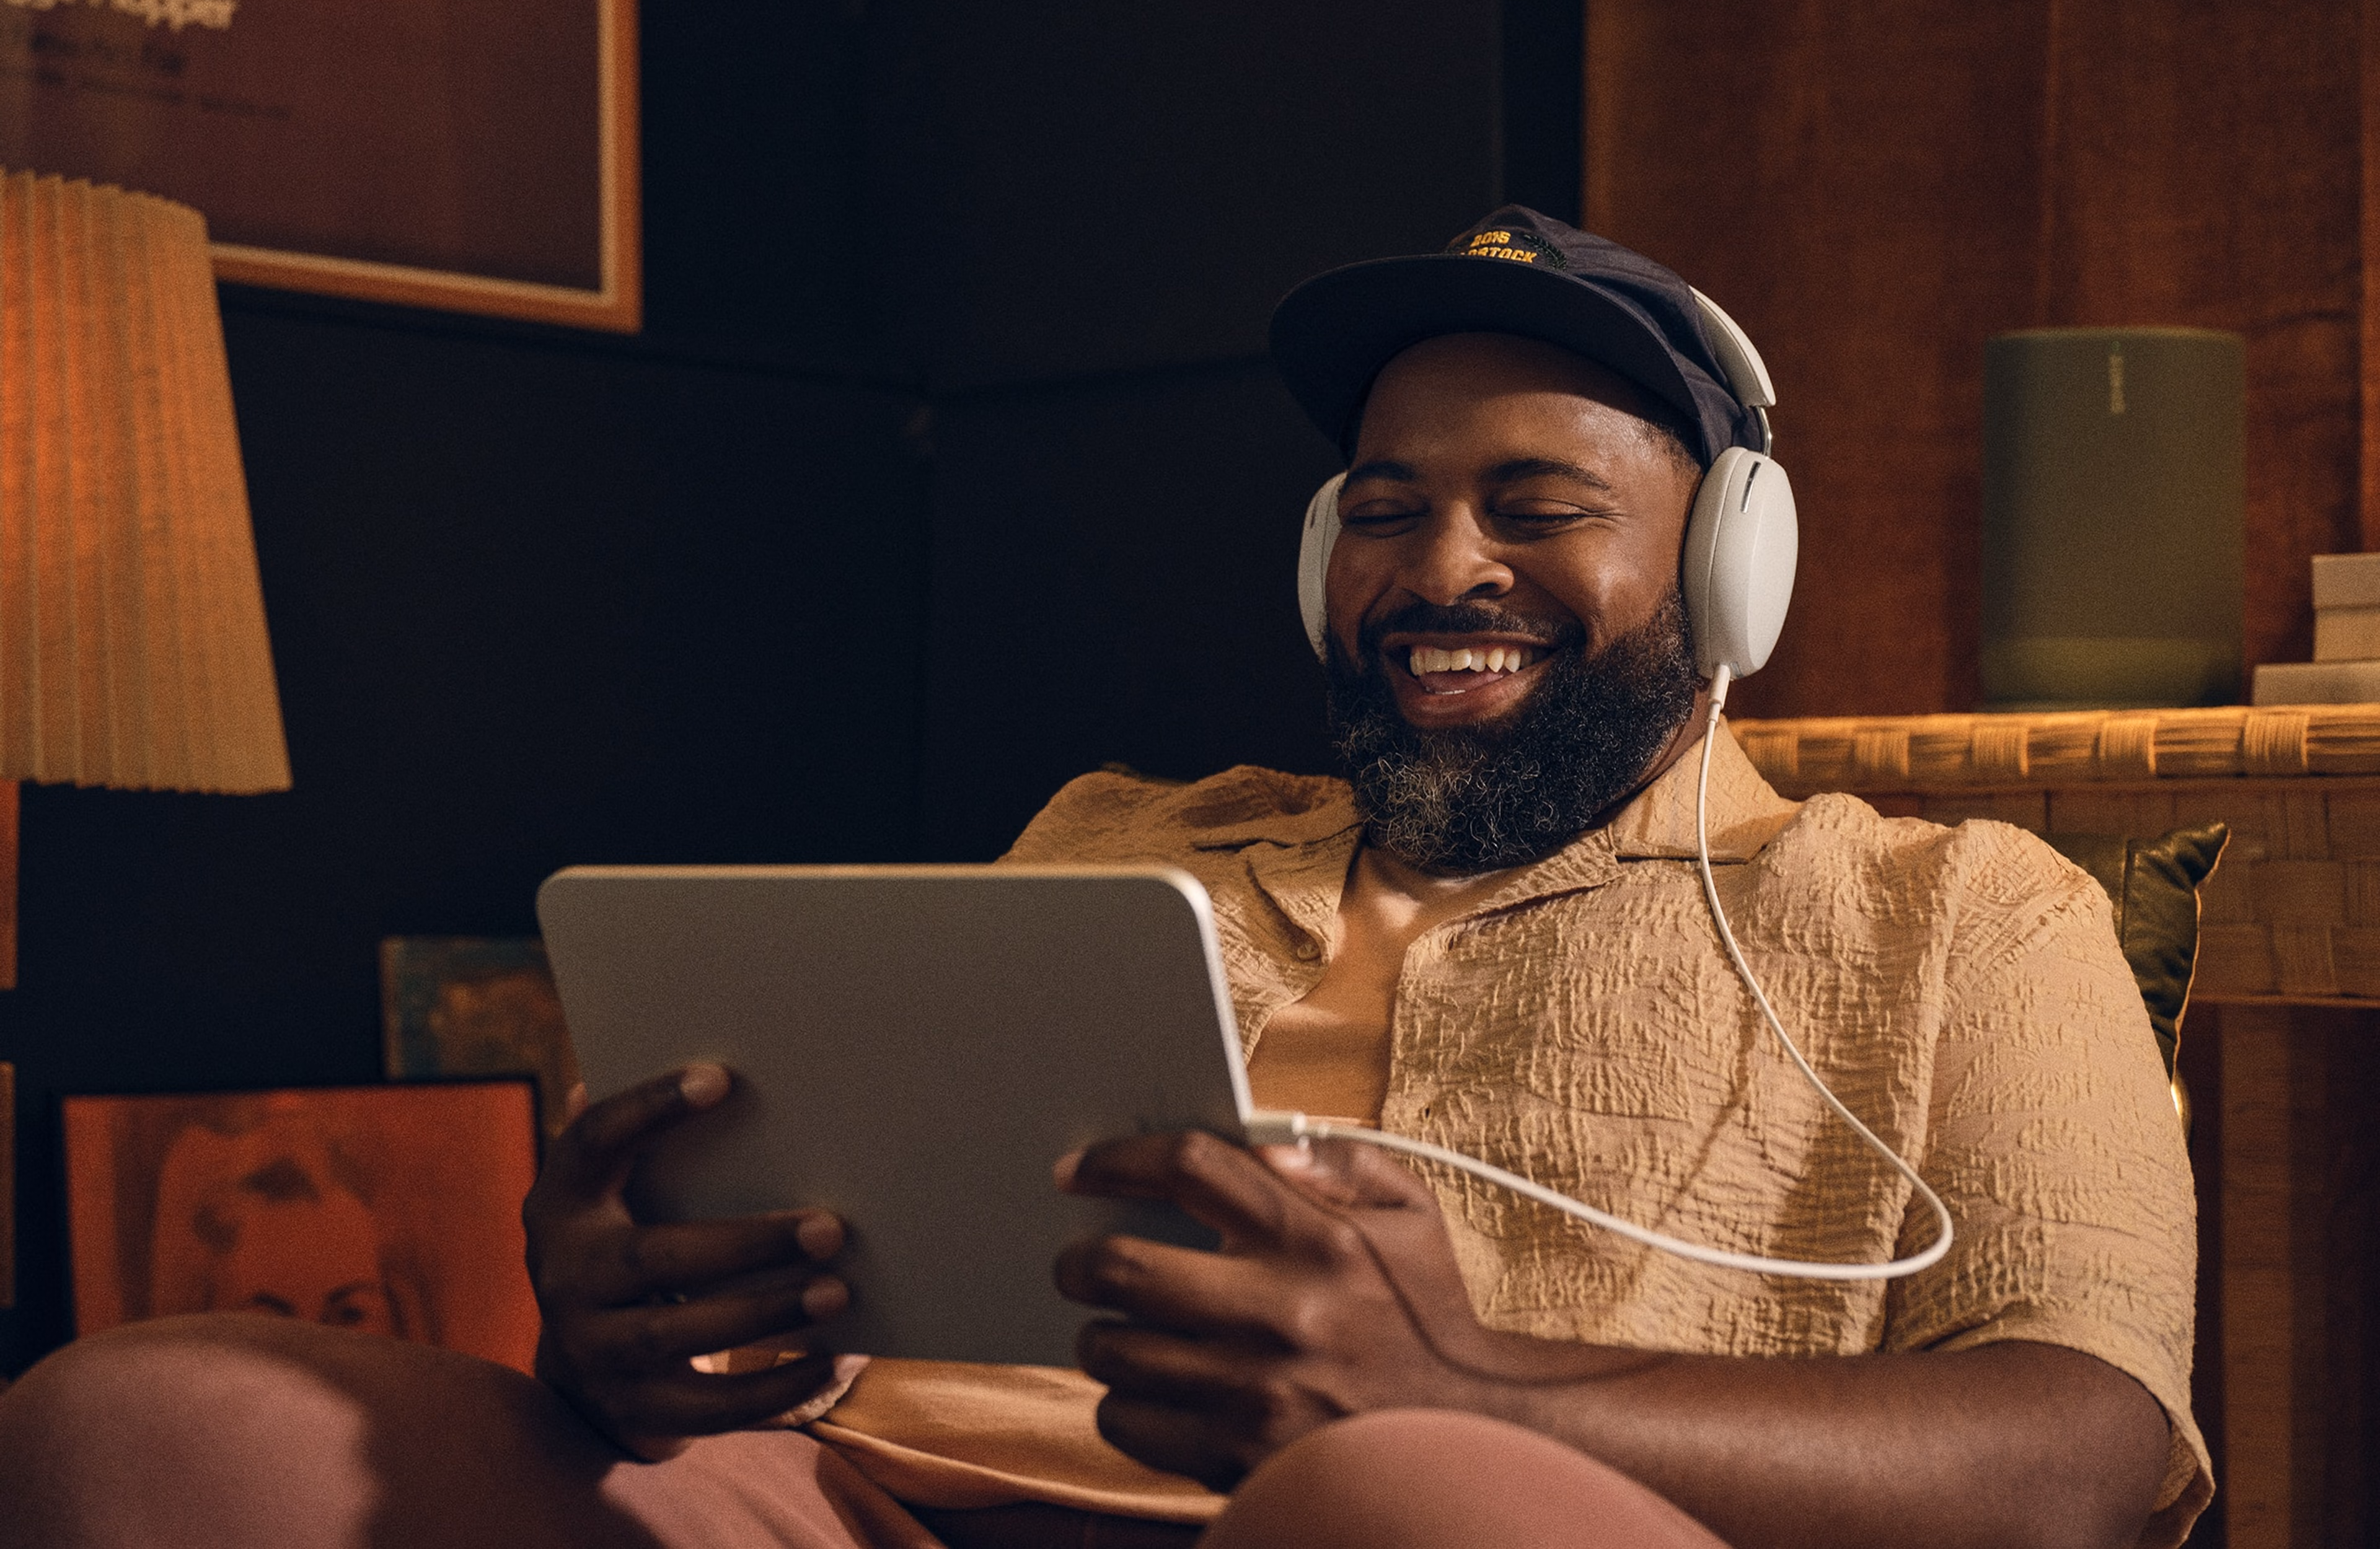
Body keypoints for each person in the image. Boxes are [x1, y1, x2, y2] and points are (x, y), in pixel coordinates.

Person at [0, 209, 2205, 1549]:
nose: (1442, 566)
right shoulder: (1115, 845)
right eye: (1383, 504)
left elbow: (2083, 1455)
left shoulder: (1953, 918)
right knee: (149, 1428)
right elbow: (826, 1355)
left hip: (1418, 1530)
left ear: (1729, 566)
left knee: (1384, 1498)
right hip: (893, 1515)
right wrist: (637, 1347)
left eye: (1539, 506)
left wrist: (1462, 1398)